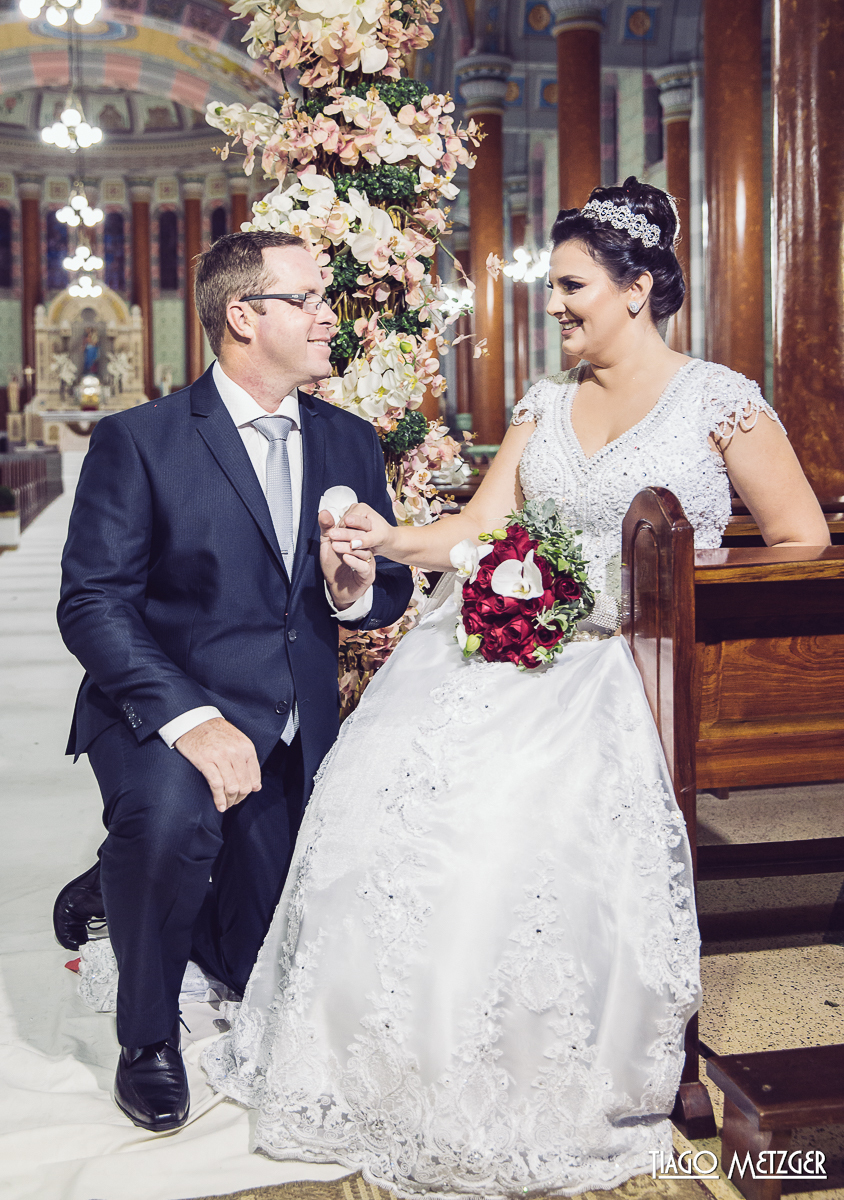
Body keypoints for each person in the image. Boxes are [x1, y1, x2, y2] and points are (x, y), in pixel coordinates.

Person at [203, 180, 829, 1196]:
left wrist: (659, 581)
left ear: (635, 289)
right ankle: (386, 1055)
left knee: (505, 812)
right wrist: (390, 535)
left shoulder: (720, 399)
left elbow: (799, 538)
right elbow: (478, 534)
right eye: (552, 287)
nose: (554, 304)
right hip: (506, 634)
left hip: (628, 655)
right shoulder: (545, 403)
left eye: (572, 285)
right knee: (387, 789)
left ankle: (527, 1064)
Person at [53, 231, 414, 1133]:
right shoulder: (140, 441)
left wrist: (357, 585)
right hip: (166, 709)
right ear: (243, 316)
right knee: (172, 822)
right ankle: (147, 1039)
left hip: (296, 720)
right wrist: (190, 718)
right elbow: (92, 604)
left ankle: (112, 882)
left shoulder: (350, 440)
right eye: (308, 298)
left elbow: (392, 580)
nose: (331, 313)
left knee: (259, 956)